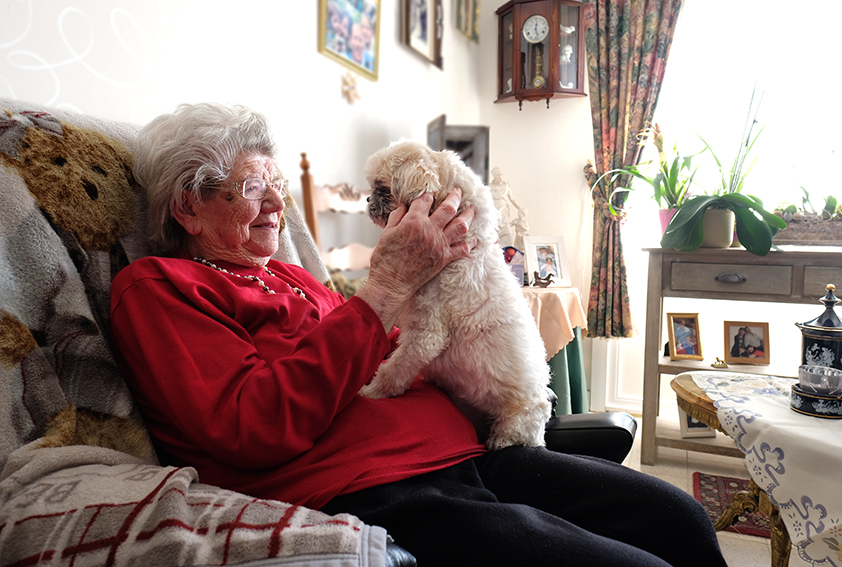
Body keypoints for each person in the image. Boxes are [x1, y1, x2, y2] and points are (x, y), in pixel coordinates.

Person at [110, 103, 728, 567]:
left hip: (473, 454)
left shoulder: (295, 277)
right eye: (252, 188)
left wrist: (441, 277)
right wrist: (382, 290)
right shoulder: (160, 287)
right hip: (374, 489)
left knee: (683, 520)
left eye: (277, 186)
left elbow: (385, 343)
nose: (277, 204)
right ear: (188, 207)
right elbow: (253, 422)